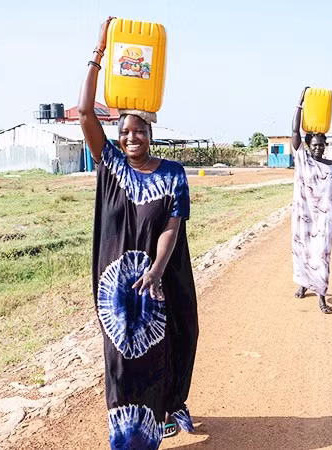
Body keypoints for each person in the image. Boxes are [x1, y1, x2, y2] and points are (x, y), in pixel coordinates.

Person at [79, 17, 198, 449]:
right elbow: (87, 112)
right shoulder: (109, 165)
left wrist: (155, 273)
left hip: (155, 287)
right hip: (115, 293)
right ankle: (126, 437)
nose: (132, 137)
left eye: (140, 131)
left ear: (151, 134)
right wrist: (99, 52)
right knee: (120, 367)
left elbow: (172, 227)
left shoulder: (173, 175)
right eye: (125, 131)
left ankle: (159, 420)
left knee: (155, 361)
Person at [291, 87, 332, 314]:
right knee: (303, 250)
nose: (318, 148)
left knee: (321, 254)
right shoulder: (303, 159)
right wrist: (300, 102)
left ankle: (321, 296)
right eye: (314, 145)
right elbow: (294, 131)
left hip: (325, 218)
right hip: (304, 216)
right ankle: (304, 284)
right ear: (308, 145)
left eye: (321, 145)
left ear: (326, 145)